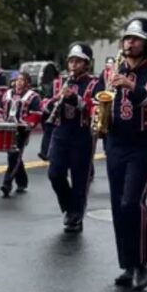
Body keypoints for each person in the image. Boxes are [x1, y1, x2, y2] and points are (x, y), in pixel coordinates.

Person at [99, 18, 147, 291]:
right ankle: (128, 264)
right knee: (118, 206)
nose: (129, 43)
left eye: (135, 39)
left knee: (132, 203)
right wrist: (98, 110)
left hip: (143, 145)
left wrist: (132, 88)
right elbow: (95, 97)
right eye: (127, 38)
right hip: (115, 143)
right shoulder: (111, 70)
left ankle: (142, 263)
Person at [45, 44, 98, 233]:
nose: (73, 65)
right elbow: (44, 102)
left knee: (79, 178)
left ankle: (76, 215)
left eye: (78, 61)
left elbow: (95, 108)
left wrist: (74, 99)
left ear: (87, 64)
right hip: (61, 132)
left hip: (82, 134)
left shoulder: (94, 83)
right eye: (71, 61)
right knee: (55, 174)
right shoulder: (59, 82)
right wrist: (53, 102)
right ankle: (69, 206)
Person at [0, 72, 41, 198]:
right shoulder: (7, 94)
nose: (18, 82)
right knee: (14, 156)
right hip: (7, 129)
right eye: (17, 80)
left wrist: (26, 124)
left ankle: (7, 183)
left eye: (22, 80)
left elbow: (36, 114)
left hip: (21, 130)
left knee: (14, 156)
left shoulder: (33, 96)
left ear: (27, 83)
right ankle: (22, 181)